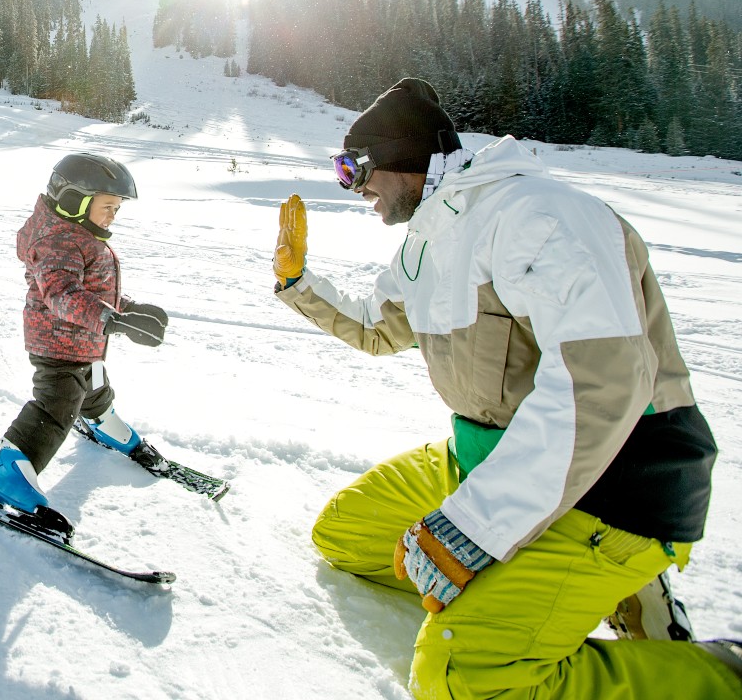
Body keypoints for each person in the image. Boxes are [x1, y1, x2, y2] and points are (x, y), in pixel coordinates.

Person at [272, 77, 741, 699]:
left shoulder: (538, 216)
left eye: (356, 168)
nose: (355, 187)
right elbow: (376, 329)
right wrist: (297, 282)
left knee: (462, 680)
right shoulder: (428, 240)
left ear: (406, 158)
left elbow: (601, 385)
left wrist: (477, 526)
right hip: (489, 456)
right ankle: (533, 592)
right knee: (345, 534)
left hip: (612, 485)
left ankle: (716, 673)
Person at [0, 153, 168, 513]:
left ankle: (102, 422)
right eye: (108, 206)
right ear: (73, 201)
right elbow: (62, 293)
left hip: (85, 341)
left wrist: (128, 310)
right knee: (59, 402)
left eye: (117, 208)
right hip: (56, 343)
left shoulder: (81, 235)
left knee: (95, 386)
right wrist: (110, 320)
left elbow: (94, 290)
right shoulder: (58, 241)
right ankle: (6, 475)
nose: (114, 215)